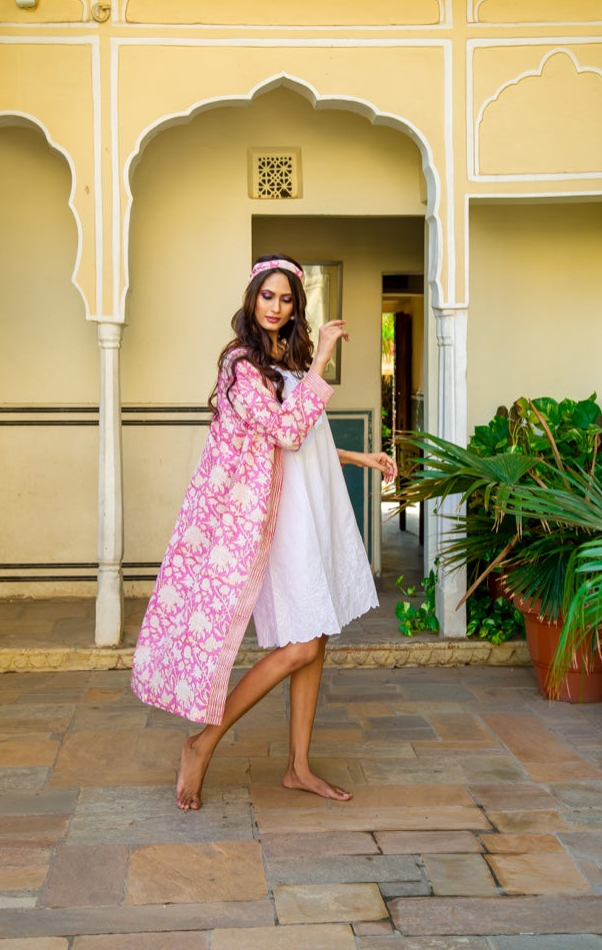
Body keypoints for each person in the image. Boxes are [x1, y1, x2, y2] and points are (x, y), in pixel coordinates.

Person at [131, 254, 397, 810]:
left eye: (286, 299)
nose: (276, 307)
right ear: (252, 298)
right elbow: (286, 431)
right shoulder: (241, 364)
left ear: (295, 306)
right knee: (299, 644)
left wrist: (360, 457)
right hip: (275, 519)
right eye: (267, 296)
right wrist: (324, 357)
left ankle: (298, 767)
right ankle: (204, 740)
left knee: (317, 634)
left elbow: (306, 442)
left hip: (307, 507)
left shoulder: (284, 358)